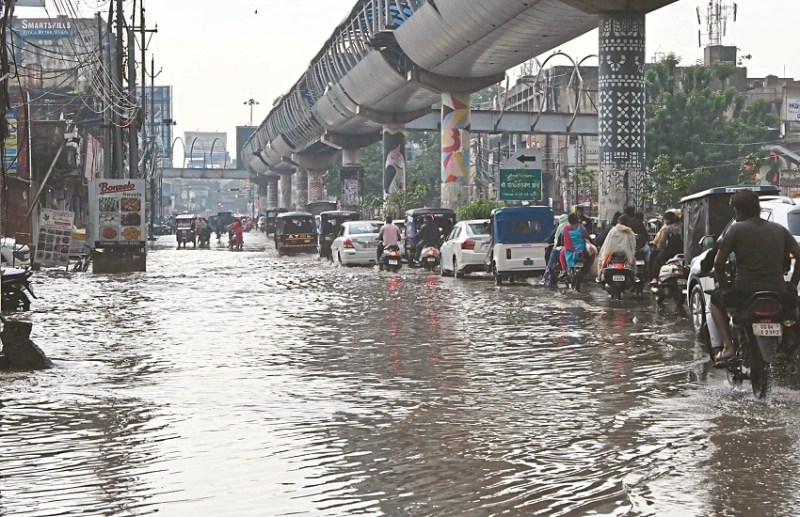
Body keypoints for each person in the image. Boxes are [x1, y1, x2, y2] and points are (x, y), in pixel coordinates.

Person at [710, 190, 800, 367]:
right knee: (793, 311)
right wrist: (793, 284)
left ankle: (728, 347)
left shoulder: (735, 229)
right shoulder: (780, 230)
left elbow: (718, 263)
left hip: (744, 292)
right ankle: (790, 349)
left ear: (739, 210)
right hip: (778, 291)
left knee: (714, 302)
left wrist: (723, 286)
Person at [596, 214, 637, 281]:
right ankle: (635, 277)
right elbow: (633, 245)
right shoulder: (630, 232)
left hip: (612, 254)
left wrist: (604, 254)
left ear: (619, 221)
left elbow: (607, 243)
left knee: (601, 262)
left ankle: (599, 277)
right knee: (633, 264)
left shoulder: (613, 230)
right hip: (626, 255)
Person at [649, 211, 682, 285]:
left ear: (669, 220)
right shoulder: (682, 226)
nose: (664, 221)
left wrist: (660, 249)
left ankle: (655, 279)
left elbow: (662, 242)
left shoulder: (668, 228)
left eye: (665, 219)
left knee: (657, 259)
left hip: (670, 251)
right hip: (682, 251)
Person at [558, 213, 592, 279]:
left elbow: (562, 239)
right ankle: (587, 271)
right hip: (581, 250)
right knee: (592, 255)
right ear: (577, 220)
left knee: (561, 254)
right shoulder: (581, 227)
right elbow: (586, 237)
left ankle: (564, 271)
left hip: (569, 250)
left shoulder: (565, 228)